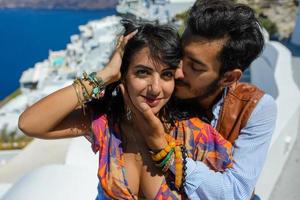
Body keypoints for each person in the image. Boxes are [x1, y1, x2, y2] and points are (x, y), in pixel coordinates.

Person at [18, 20, 234, 199]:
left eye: (166, 74)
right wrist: (104, 75)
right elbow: (30, 123)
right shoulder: (106, 125)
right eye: (142, 72)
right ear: (123, 75)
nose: (156, 88)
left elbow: (238, 192)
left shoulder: (194, 134)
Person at [127, 0, 277, 199]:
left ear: (228, 78)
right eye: (180, 55)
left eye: (195, 67)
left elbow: (237, 192)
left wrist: (164, 148)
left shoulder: (255, 108)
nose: (177, 71)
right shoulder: (158, 89)